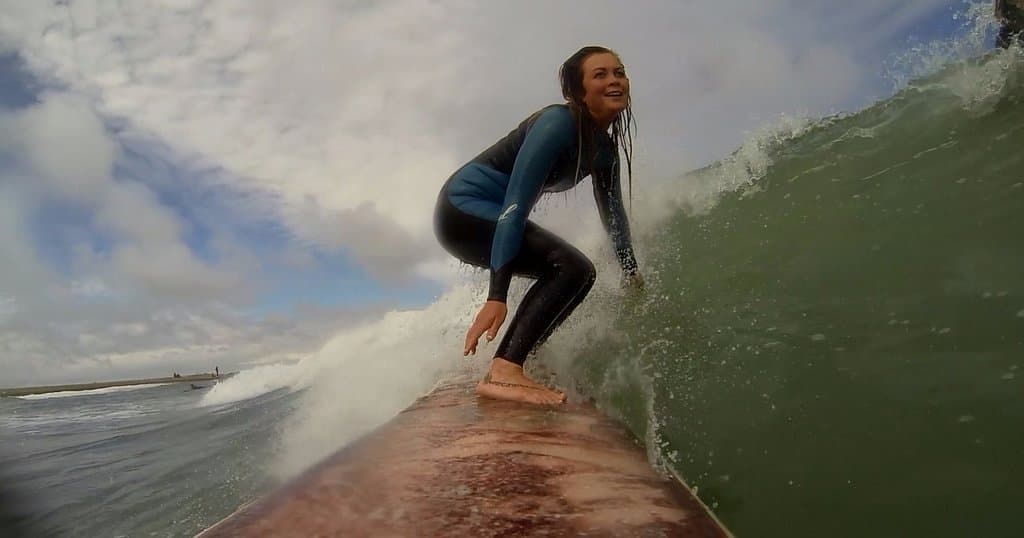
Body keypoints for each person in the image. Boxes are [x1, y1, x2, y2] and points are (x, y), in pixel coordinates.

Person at [434, 46, 644, 405]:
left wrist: (630, 271)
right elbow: (515, 206)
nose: (614, 81)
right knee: (571, 267)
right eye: (600, 74)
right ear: (576, 92)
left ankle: (519, 359)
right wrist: (496, 296)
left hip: (487, 215)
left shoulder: (604, 152)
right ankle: (504, 370)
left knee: (579, 274)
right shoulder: (556, 124)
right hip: (463, 209)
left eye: (619, 72)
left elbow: (614, 216)